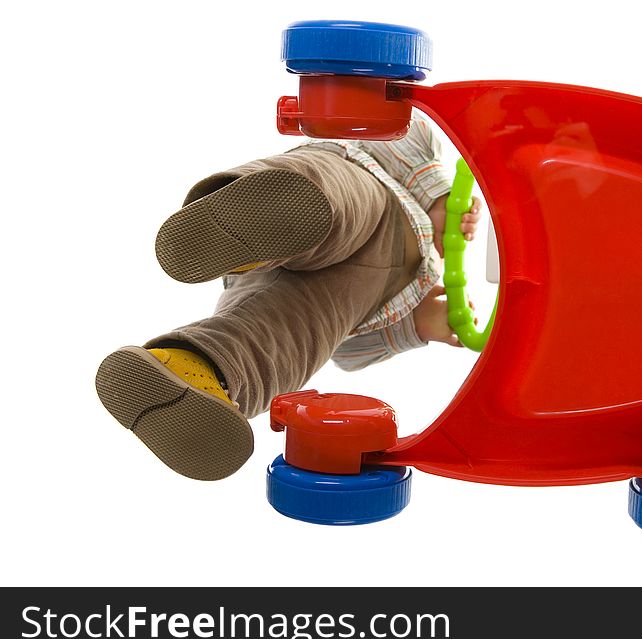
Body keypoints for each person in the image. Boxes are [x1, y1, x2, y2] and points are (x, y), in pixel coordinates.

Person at [96, 111, 481, 481]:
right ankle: (253, 211)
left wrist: (419, 326)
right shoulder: (422, 155)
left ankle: (194, 370)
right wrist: (436, 196)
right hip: (374, 196)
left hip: (329, 292)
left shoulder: (414, 292)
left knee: (295, 333)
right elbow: (400, 130)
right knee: (341, 199)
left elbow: (346, 354)